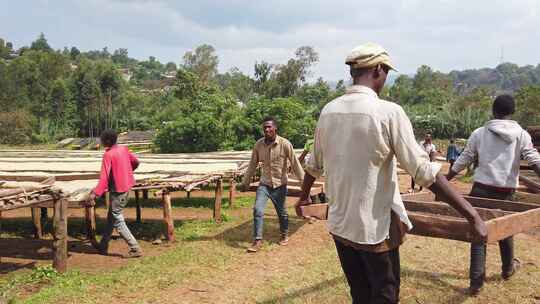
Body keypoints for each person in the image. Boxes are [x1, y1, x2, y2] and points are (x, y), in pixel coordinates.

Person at [296, 42, 487, 303]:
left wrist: (304, 196)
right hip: (373, 229)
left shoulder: (329, 111)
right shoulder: (388, 112)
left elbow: (313, 165)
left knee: (360, 294)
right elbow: (423, 172)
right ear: (377, 70)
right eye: (386, 71)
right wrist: (472, 214)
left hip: (340, 225)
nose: (385, 78)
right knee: (385, 295)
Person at [447, 94, 540, 295]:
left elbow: (465, 157)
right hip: (506, 191)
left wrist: (447, 177)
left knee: (478, 231)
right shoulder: (522, 135)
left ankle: (476, 283)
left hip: (481, 188)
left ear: (493, 111)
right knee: (506, 227)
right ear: (512, 112)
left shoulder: (480, 133)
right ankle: (507, 269)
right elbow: (533, 159)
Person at [240, 117, 305, 253]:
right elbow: (252, 164)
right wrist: (245, 182)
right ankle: (257, 240)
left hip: (280, 185)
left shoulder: (285, 144)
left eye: (269, 127)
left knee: (281, 212)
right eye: (264, 127)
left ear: (275, 128)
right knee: (258, 210)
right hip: (264, 184)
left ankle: (284, 233)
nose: (267, 130)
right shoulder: (259, 145)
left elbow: (295, 163)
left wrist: (304, 184)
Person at [89, 129, 143, 258]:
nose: (101, 141)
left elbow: (104, 178)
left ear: (107, 141)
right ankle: (103, 245)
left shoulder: (108, 155)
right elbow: (136, 162)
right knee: (111, 217)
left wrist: (95, 193)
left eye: (102, 139)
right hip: (126, 187)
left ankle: (135, 248)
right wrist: (127, 172)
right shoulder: (124, 149)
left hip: (118, 191)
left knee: (117, 219)